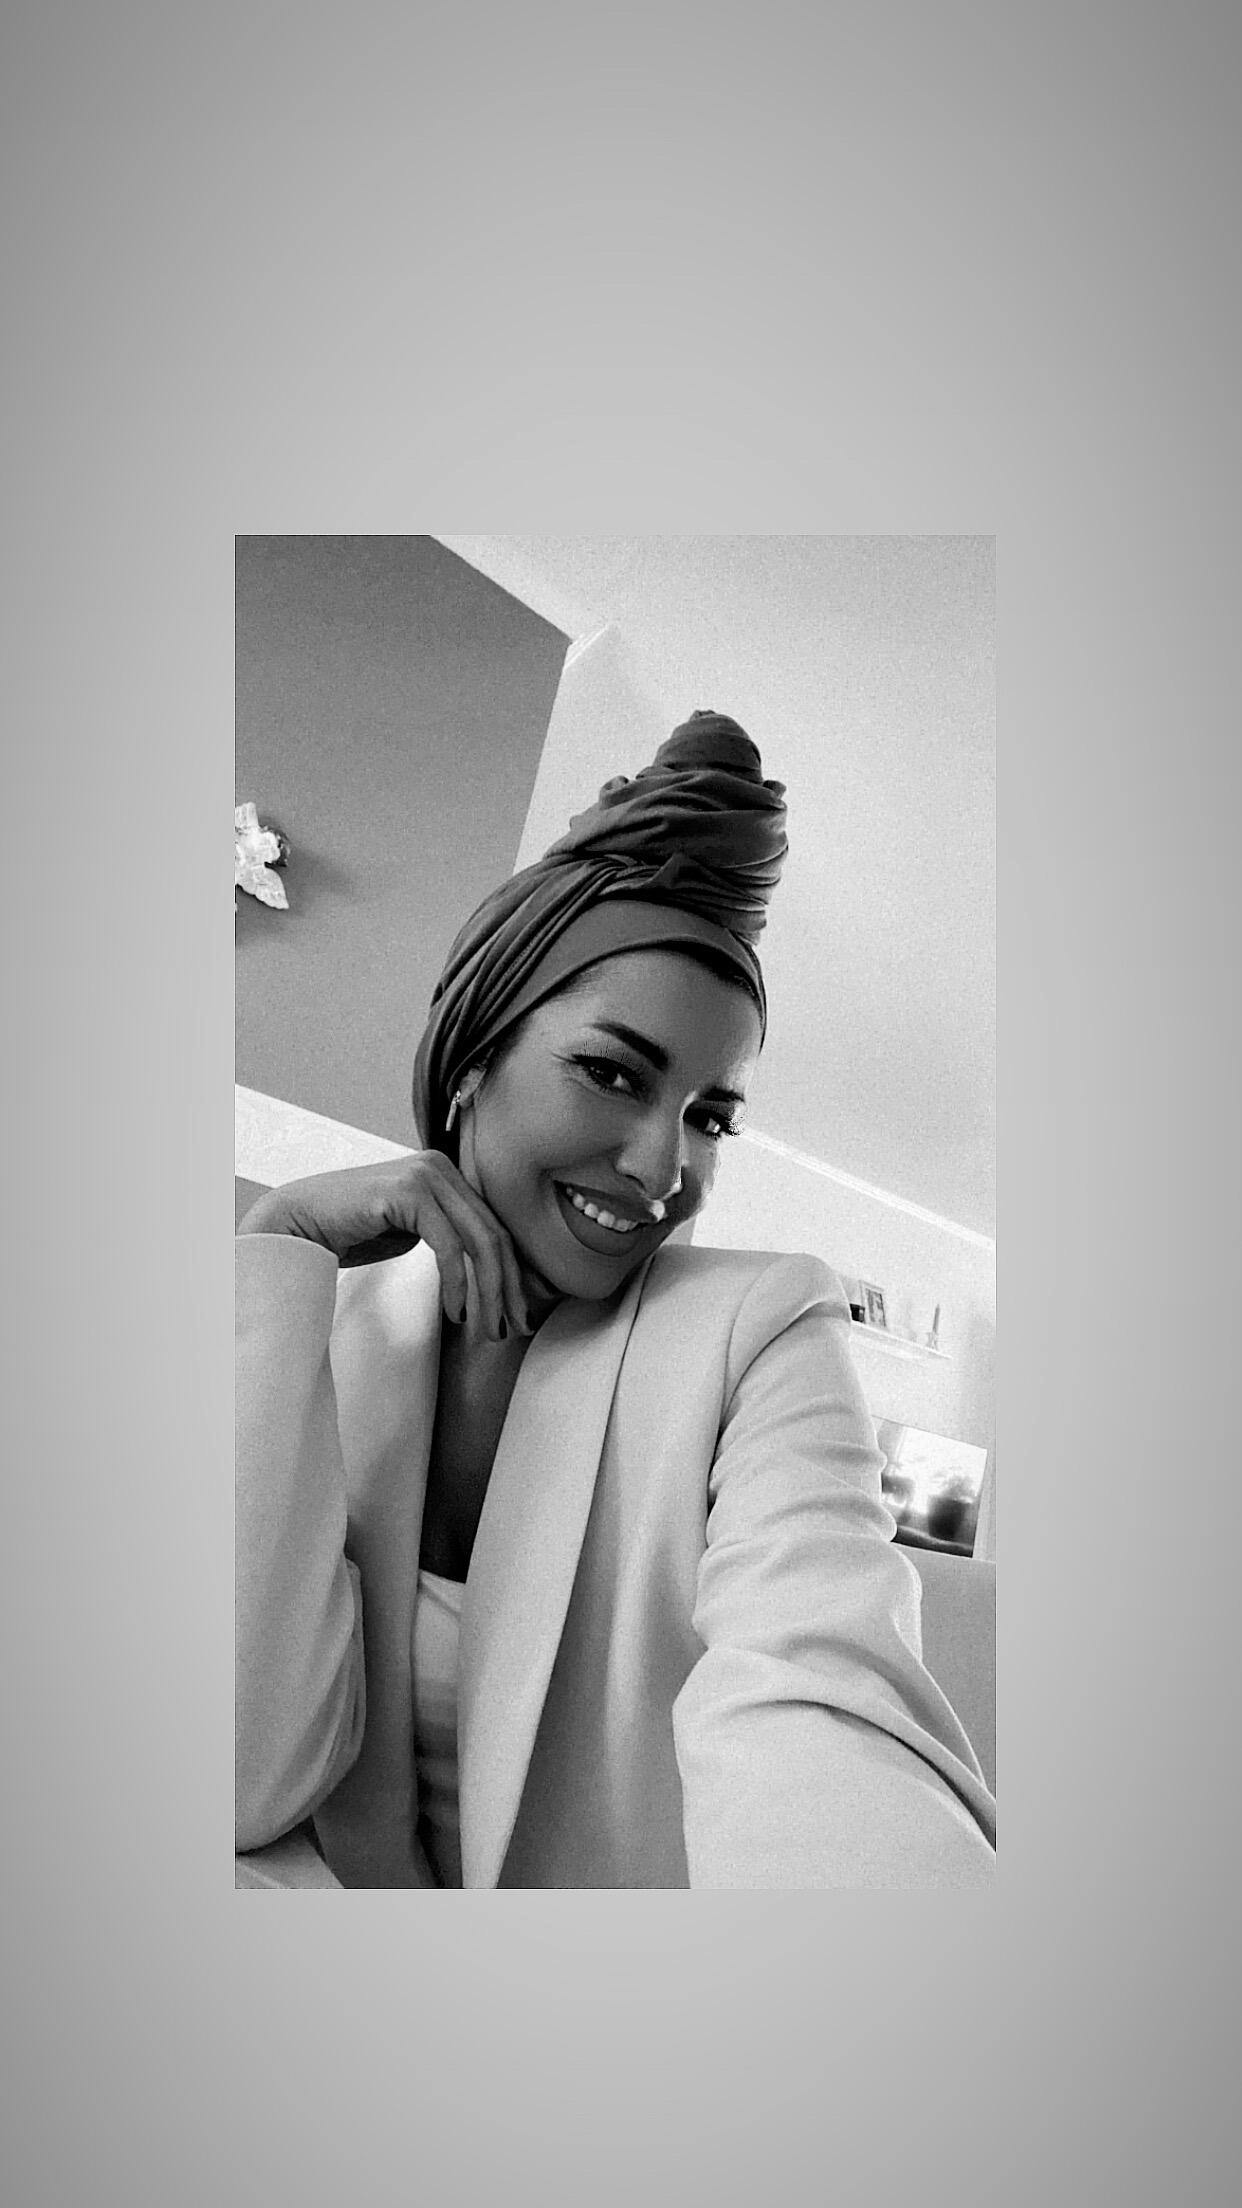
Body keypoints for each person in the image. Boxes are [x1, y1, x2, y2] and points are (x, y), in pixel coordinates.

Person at [236, 712, 996, 1887]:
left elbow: (819, 1690)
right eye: (611, 1072)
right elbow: (239, 1773)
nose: (663, 1166)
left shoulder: (760, 1332)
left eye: (710, 1117)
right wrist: (274, 1241)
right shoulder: (319, 1332)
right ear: (473, 1061)